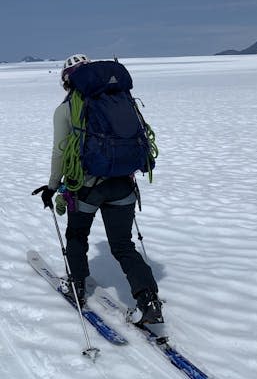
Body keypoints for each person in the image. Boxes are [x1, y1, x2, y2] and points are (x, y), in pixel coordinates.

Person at [33, 54, 163, 324]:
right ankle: (149, 300)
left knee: (77, 235)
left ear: (66, 80)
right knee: (124, 245)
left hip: (87, 186)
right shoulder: (121, 99)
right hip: (123, 184)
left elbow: (60, 152)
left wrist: (52, 186)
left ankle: (77, 287)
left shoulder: (66, 109)